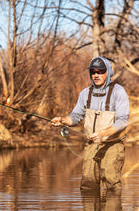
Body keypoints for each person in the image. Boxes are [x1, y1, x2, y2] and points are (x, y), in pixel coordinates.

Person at [51, 56, 129, 191]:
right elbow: (75, 117)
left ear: (107, 72)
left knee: (112, 186)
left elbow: (123, 121)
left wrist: (104, 132)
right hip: (91, 146)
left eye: (100, 72)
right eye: (93, 72)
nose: (96, 75)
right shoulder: (85, 93)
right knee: (88, 186)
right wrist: (63, 120)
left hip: (112, 145)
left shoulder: (118, 91)